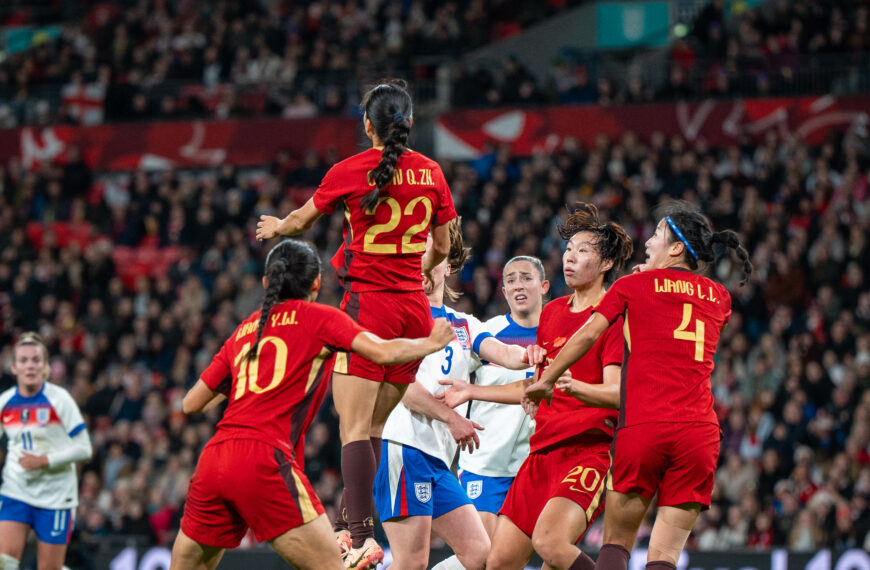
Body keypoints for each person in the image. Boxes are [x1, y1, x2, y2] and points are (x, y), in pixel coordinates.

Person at [256, 79, 456, 568]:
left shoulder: (351, 170)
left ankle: (363, 537)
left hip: (367, 306)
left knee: (351, 428)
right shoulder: (431, 172)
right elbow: (446, 248)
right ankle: (349, 529)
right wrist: (421, 269)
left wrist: (276, 226)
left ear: (368, 125)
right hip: (414, 309)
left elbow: (302, 222)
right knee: (373, 427)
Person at [170, 239, 454, 570]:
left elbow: (191, 404)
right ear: (316, 283)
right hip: (263, 460)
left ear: (267, 283)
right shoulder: (319, 319)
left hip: (214, 461)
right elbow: (384, 352)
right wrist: (430, 343)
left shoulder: (245, 330)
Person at [527, 200, 753, 570]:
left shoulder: (633, 285)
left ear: (677, 247)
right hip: (699, 435)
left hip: (645, 427)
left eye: (657, 235)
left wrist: (545, 381)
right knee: (664, 557)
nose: (647, 242)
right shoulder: (721, 297)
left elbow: (586, 337)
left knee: (615, 546)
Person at [440, 203, 633, 570]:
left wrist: (573, 388)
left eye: (583, 251)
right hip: (539, 455)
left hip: (585, 451)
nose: (570, 258)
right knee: (497, 563)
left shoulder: (612, 318)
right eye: (568, 250)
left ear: (606, 264)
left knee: (550, 543)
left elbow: (617, 393)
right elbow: (536, 387)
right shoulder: (554, 313)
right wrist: (471, 391)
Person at [373, 222, 545, 570]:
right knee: (411, 563)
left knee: (481, 556)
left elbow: (506, 353)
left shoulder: (463, 324)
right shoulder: (401, 317)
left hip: (438, 459)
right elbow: (402, 388)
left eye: (429, 253)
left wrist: (534, 355)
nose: (421, 261)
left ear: (447, 264)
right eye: (415, 254)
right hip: (404, 447)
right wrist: (453, 418)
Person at [456, 256, 547, 539]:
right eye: (510, 281)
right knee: (483, 557)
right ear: (504, 292)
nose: (518, 285)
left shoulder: (559, 334)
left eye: (526, 278)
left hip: (535, 464)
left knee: (516, 559)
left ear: (543, 286)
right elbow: (451, 381)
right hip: (485, 464)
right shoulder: (487, 334)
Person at [0, 332, 93, 570]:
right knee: (4, 563)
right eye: (23, 360)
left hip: (55, 497)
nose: (30, 365)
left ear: (46, 367)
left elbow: (84, 449)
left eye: (36, 360)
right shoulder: (5, 403)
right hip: (16, 490)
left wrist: (45, 460)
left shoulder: (60, 400)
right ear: (14, 367)